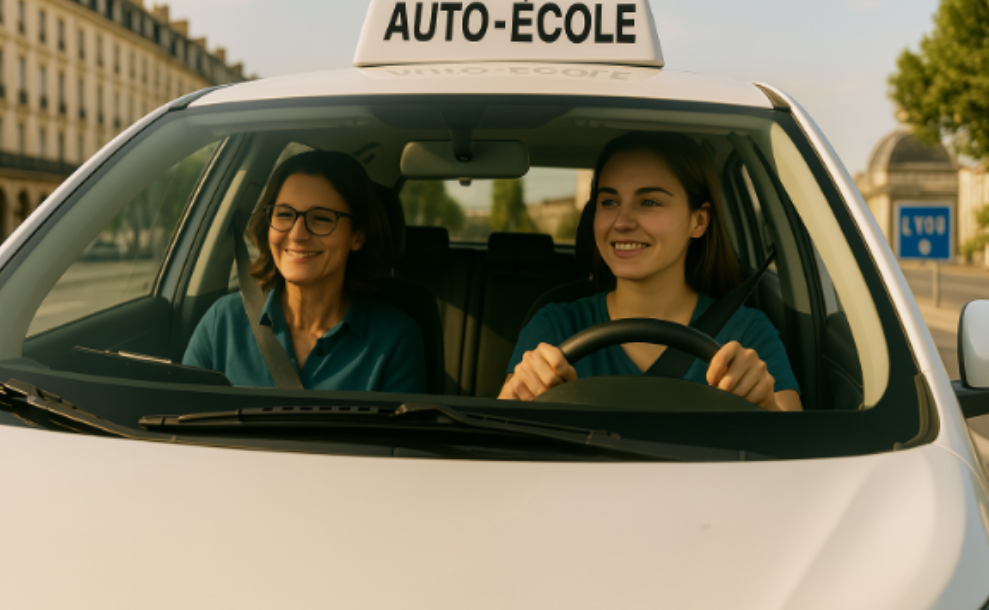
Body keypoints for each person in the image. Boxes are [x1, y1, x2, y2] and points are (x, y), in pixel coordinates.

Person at [499, 132, 801, 411]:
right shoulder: (555, 328)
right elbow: (498, 445)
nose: (622, 221)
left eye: (649, 202)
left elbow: (797, 451)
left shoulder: (746, 334)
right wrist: (517, 393)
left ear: (698, 221)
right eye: (609, 201)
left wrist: (765, 406)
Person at [184, 150, 427, 392]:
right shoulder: (222, 323)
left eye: (321, 218)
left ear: (357, 236)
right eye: (284, 215)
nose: (297, 234)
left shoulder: (397, 339)